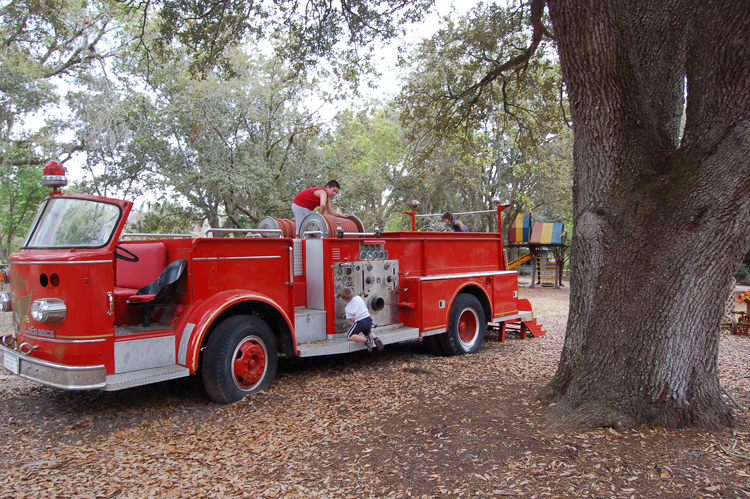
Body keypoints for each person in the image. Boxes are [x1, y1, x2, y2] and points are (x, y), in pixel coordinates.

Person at [340, 287, 384, 352]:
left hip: (361, 322)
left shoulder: (347, 308)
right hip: (369, 319)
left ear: (343, 299)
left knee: (349, 336)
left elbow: (352, 319)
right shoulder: (358, 298)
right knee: (368, 332)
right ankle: (376, 338)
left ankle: (366, 340)